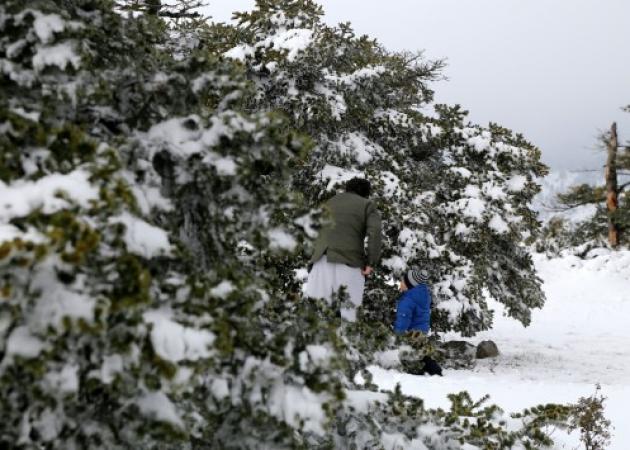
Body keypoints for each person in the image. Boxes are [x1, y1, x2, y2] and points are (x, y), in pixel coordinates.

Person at [305, 178, 382, 322]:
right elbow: (375, 232)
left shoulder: (329, 202)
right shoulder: (367, 205)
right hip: (349, 263)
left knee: (318, 317)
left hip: (320, 261)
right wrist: (371, 262)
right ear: (366, 193)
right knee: (350, 317)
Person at [394, 268, 442, 376]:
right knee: (419, 352)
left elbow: (403, 318)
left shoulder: (408, 299)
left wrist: (397, 334)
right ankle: (434, 369)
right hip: (421, 330)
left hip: (411, 332)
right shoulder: (422, 293)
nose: (400, 283)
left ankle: (417, 371)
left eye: (402, 281)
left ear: (409, 284)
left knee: (410, 355)